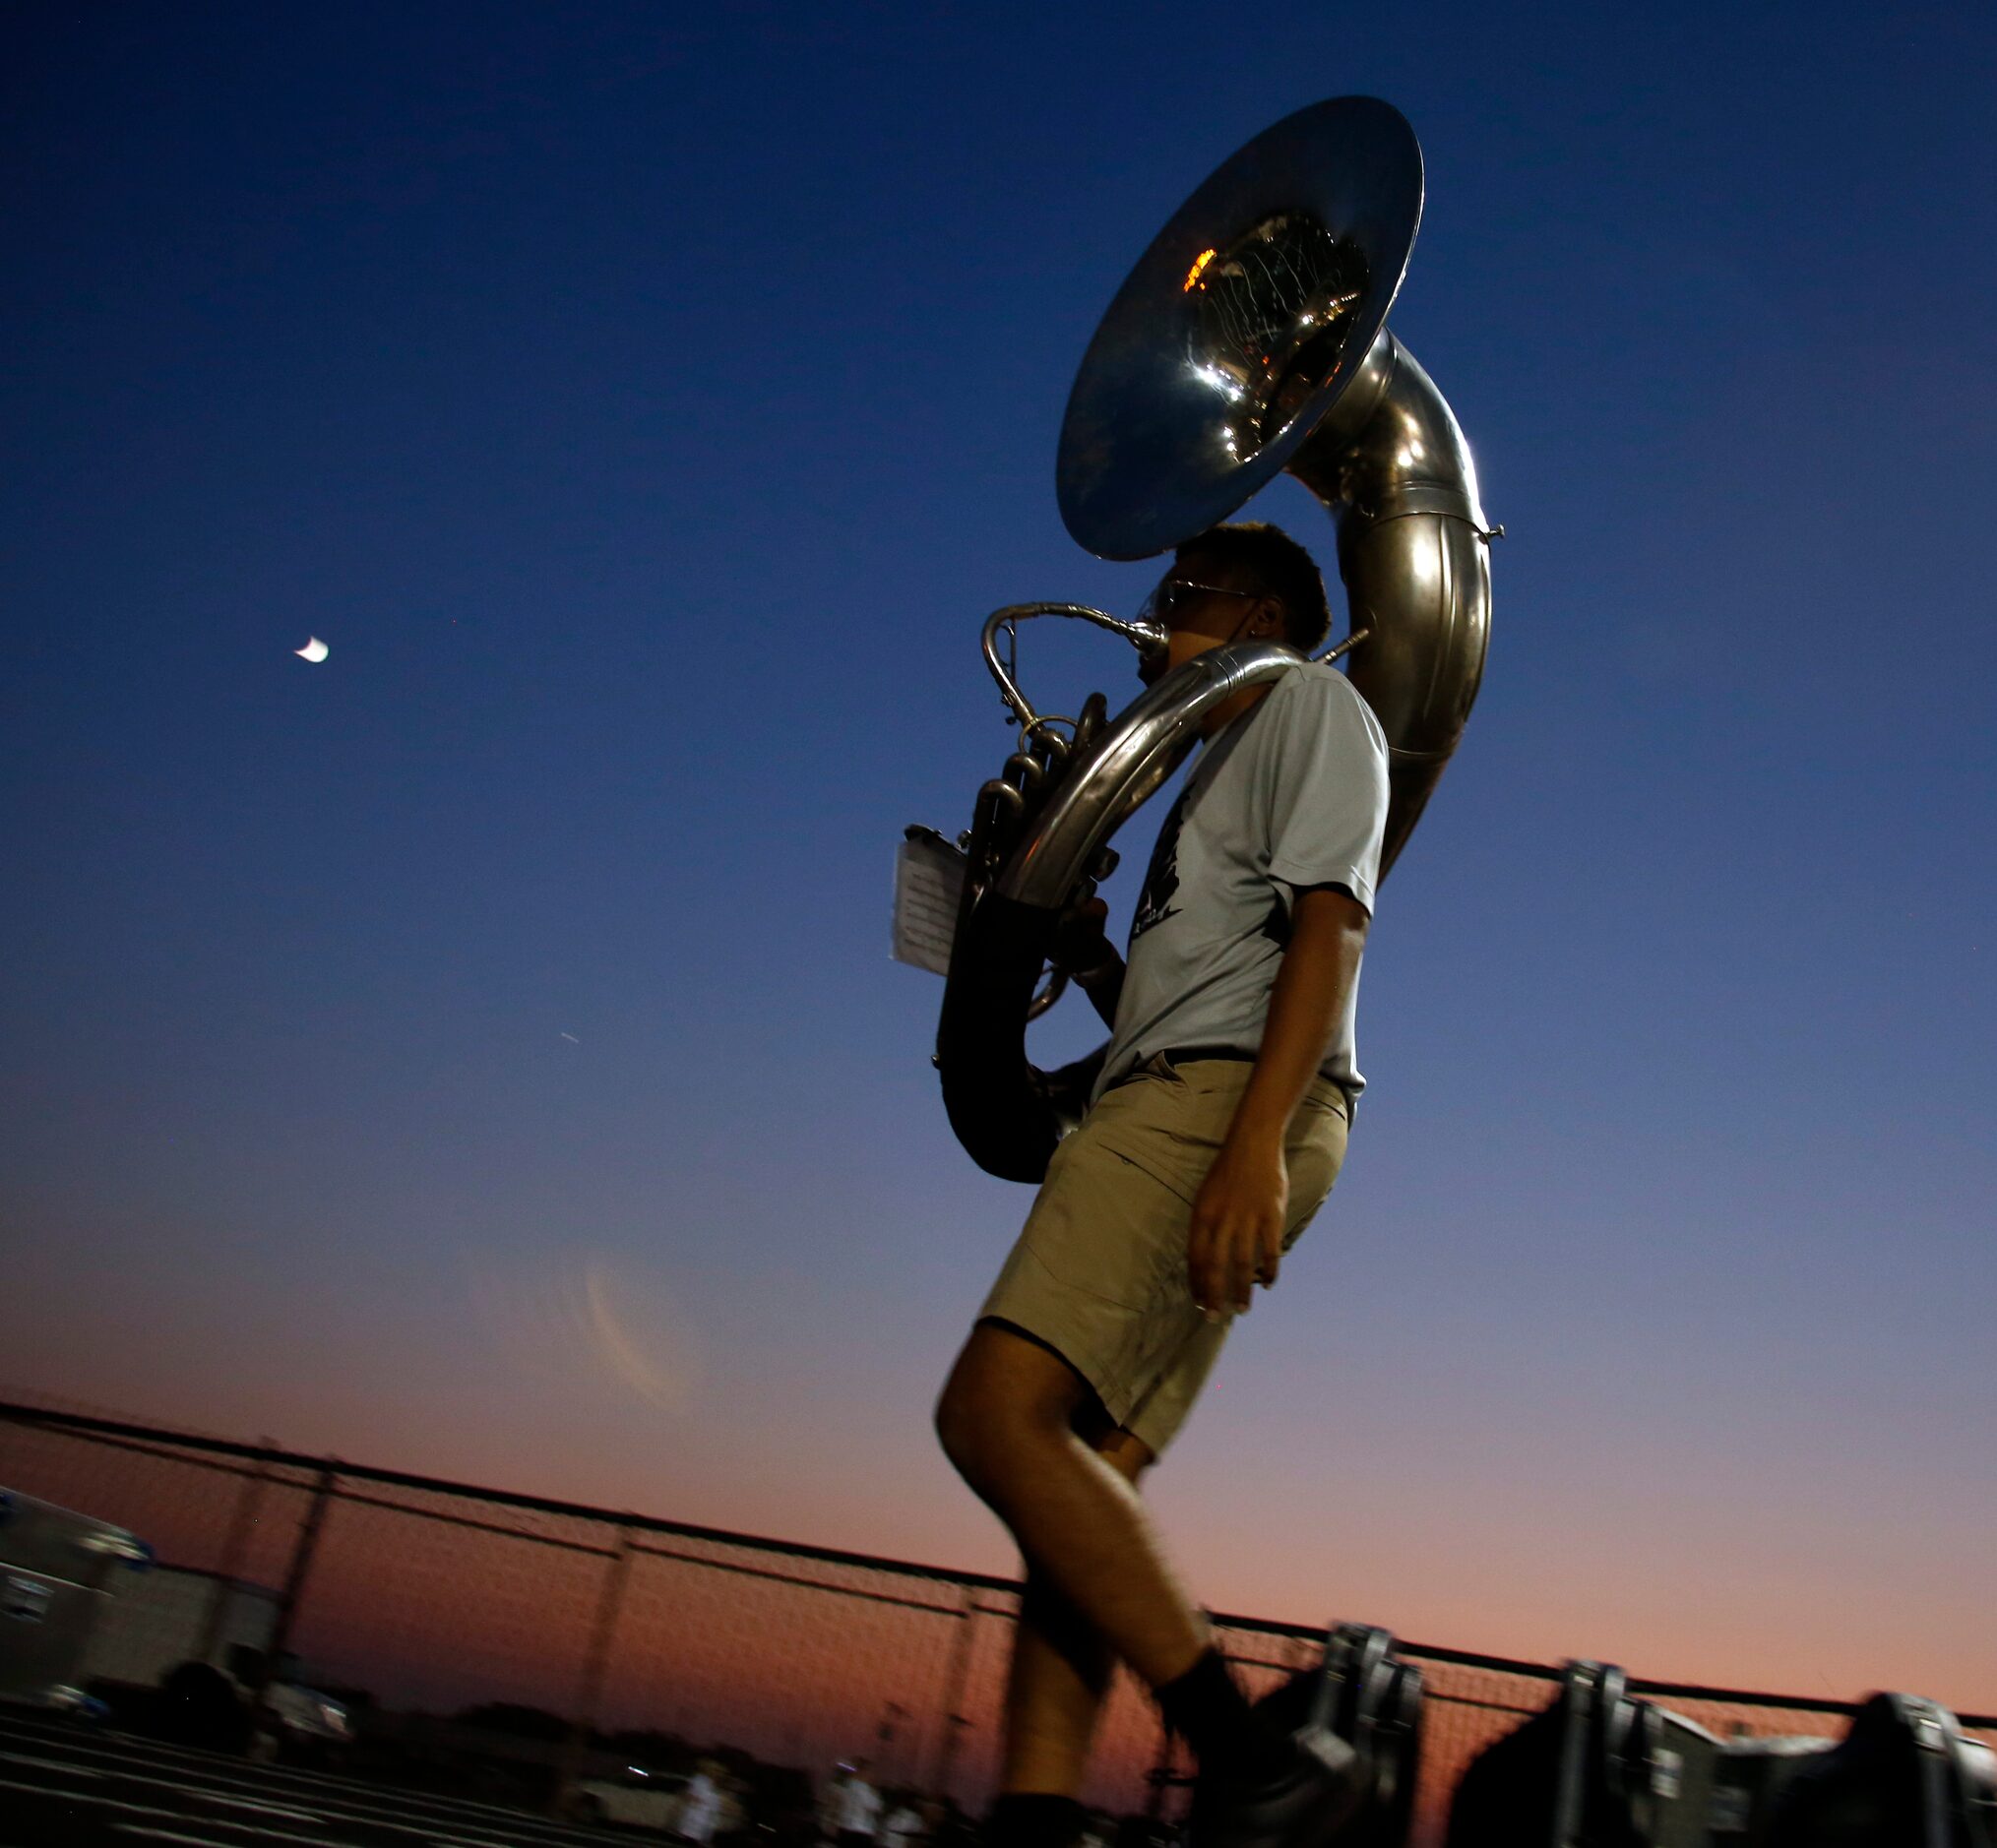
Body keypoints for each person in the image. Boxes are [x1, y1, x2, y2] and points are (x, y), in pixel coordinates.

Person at [933, 522, 1391, 1848]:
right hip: (1199, 1088)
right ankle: (1035, 1817)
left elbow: (1332, 923)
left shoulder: (1307, 702)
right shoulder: (1212, 772)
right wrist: (1080, 957)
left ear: (1249, 612)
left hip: (1223, 1102)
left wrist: (1252, 1139)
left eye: (1175, 597)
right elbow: (1184, 993)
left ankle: (1254, 1764)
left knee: (991, 1414)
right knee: (1080, 1499)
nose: (1152, 620)